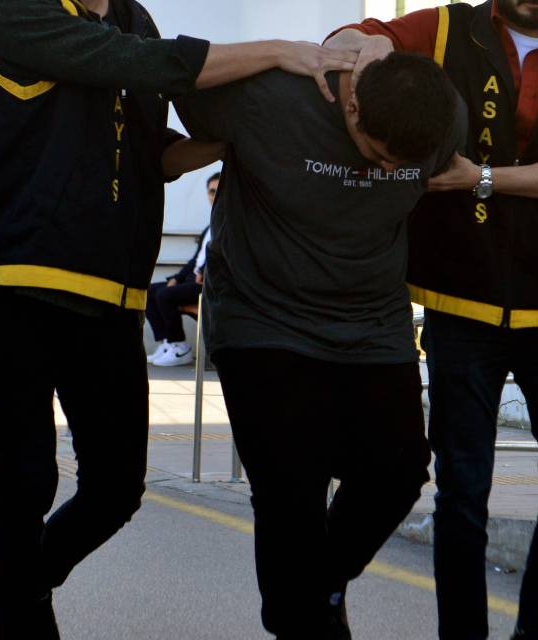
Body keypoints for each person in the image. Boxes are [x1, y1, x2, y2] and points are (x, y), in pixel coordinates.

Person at [0, 1, 357, 637]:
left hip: (111, 290)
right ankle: (22, 620)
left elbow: (154, 153)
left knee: (117, 487)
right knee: (26, 475)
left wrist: (241, 137)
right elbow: (145, 63)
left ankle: (26, 585)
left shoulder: (135, 18)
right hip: (16, 280)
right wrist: (282, 51)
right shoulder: (13, 10)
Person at [325, 1, 538, 637]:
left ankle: (534, 631)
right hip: (460, 294)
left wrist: (482, 178)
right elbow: (347, 38)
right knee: (462, 489)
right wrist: (369, 48)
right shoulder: (446, 27)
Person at [173, 52, 465, 638]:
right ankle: (306, 611)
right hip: (263, 314)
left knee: (399, 471)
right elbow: (172, 71)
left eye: (402, 166)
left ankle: (309, 594)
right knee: (291, 487)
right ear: (352, 107)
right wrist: (276, 50)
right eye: (378, 156)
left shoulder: (444, 117)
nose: (389, 169)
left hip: (371, 317)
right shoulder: (269, 98)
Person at [146, 172, 218, 367]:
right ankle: (167, 343)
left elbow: (223, 257)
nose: (215, 196)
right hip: (193, 280)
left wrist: (203, 271)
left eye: (218, 191)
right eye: (211, 192)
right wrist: (177, 278)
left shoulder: (229, 224)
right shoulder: (210, 226)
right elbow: (195, 260)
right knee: (150, 292)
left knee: (164, 295)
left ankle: (180, 346)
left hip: (210, 284)